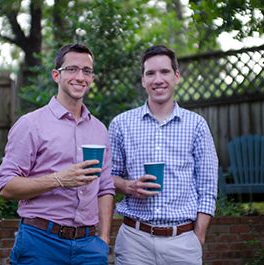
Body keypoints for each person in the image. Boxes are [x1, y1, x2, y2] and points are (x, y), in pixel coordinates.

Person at [0, 43, 114, 265]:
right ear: (56, 75)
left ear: (92, 78)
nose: (80, 76)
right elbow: (5, 186)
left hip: (89, 247)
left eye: (87, 71)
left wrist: (104, 239)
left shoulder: (99, 129)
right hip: (40, 242)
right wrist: (59, 179)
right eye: (72, 69)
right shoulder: (31, 124)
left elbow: (105, 188)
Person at [108, 45, 219, 265]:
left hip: (183, 243)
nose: (158, 79)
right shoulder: (121, 124)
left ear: (176, 76)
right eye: (150, 73)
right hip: (134, 242)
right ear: (143, 80)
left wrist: (198, 236)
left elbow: (207, 186)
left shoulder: (196, 125)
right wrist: (127, 186)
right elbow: (107, 177)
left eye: (165, 72)